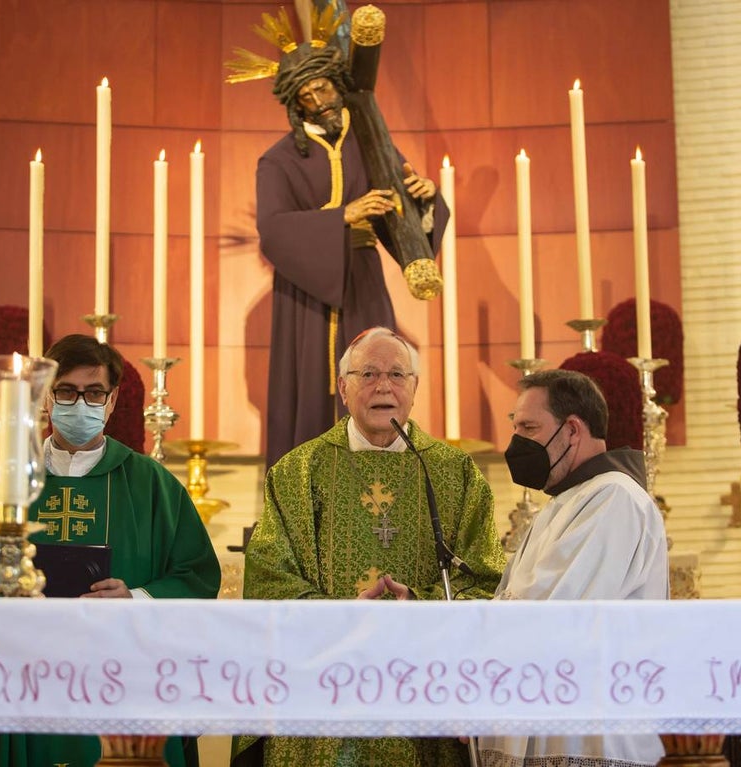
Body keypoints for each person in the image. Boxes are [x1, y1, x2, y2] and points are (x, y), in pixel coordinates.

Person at [233, 327, 506, 766]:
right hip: (325, 691)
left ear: (415, 388)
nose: (384, 386)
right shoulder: (299, 472)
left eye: (398, 374)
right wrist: (343, 617)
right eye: (368, 374)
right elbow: (267, 581)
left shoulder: (454, 474)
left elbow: (489, 582)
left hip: (425, 692)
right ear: (343, 388)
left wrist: (419, 606)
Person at [0, 334, 222, 767]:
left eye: (94, 393)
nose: (81, 403)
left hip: (122, 679)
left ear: (112, 402)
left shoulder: (151, 484)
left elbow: (197, 576)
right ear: (45, 398)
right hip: (26, 678)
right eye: (67, 392)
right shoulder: (7, 481)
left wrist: (134, 599)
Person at [256, 38, 449, 468]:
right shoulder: (277, 160)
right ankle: (305, 506)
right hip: (304, 294)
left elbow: (399, 208)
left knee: (376, 381)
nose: (318, 102)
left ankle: (378, 498)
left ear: (338, 85)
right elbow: (272, 230)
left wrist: (425, 198)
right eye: (305, 97)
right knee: (307, 397)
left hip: (363, 280)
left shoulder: (370, 141)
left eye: (322, 88)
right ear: (294, 105)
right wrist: (343, 216)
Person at [479, 369, 668, 767]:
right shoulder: (564, 503)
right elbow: (510, 597)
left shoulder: (614, 499)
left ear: (573, 430)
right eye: (516, 427)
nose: (517, 442)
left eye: (529, 427)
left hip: (589, 742)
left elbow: (554, 610)